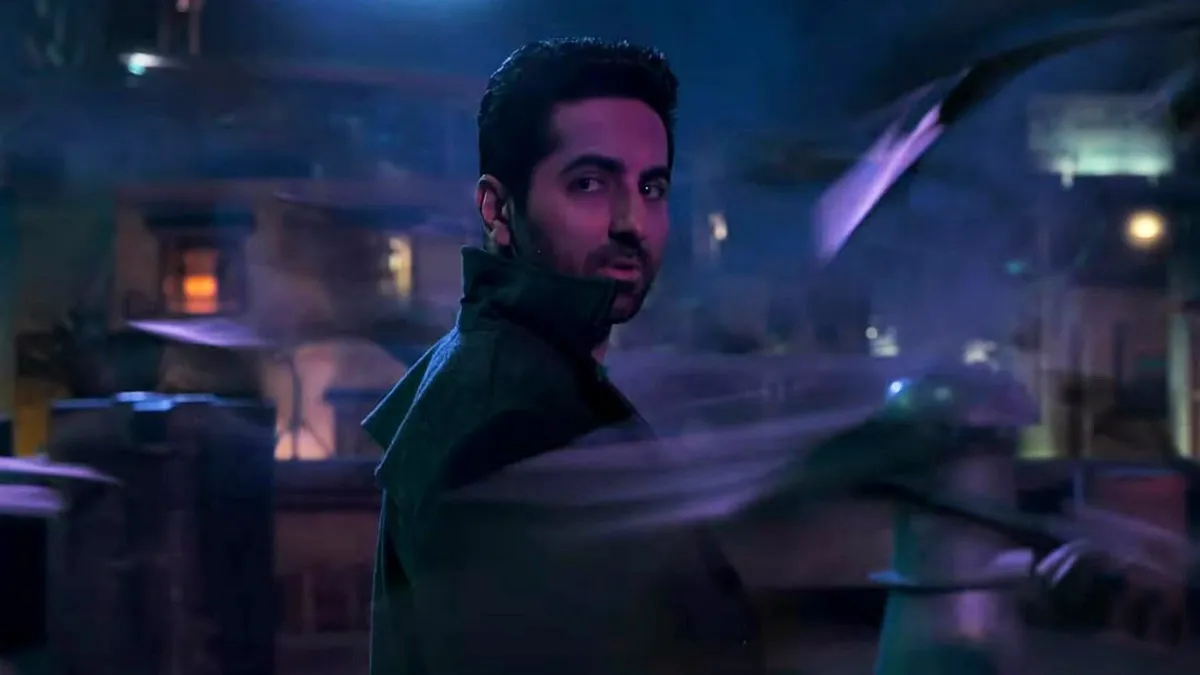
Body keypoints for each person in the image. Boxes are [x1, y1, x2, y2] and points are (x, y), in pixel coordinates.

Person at [364, 38, 762, 675]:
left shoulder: (531, 375)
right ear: (498, 210)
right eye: (589, 184)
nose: (633, 221)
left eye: (652, 187)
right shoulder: (510, 417)